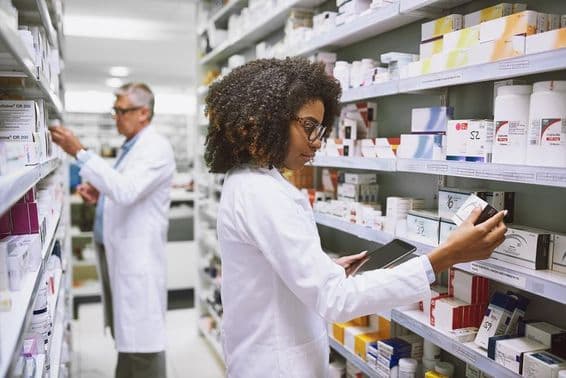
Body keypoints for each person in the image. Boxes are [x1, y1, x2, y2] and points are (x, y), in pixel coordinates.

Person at [204, 58, 508, 377]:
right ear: (265, 119)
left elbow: (269, 272)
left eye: (320, 129)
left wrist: (324, 270)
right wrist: (446, 256)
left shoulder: (249, 181)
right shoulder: (262, 193)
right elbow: (336, 301)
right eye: (308, 126)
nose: (317, 141)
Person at [50, 83, 175, 378]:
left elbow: (128, 190)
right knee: (127, 338)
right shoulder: (131, 147)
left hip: (137, 259)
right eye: (115, 110)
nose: (116, 116)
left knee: (142, 341)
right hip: (117, 253)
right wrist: (100, 194)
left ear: (144, 112)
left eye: (122, 110)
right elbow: (123, 189)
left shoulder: (155, 146)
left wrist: (79, 151)